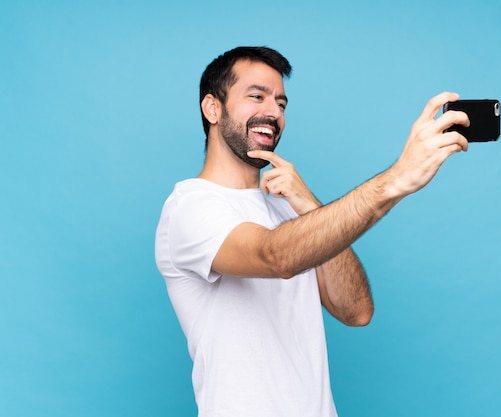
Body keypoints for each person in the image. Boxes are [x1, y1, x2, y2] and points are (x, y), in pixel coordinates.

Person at [155, 46, 469, 417]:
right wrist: (396, 179)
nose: (272, 112)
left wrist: (308, 204)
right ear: (213, 108)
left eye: (281, 103)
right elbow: (275, 256)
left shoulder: (286, 209)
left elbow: (356, 311)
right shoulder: (190, 207)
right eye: (256, 96)